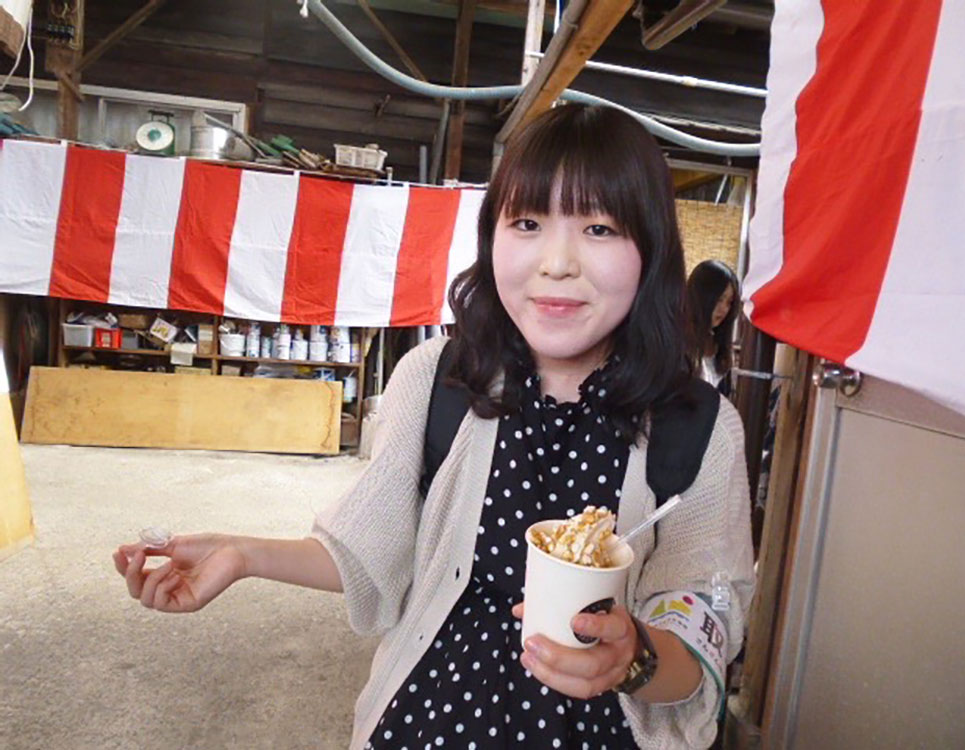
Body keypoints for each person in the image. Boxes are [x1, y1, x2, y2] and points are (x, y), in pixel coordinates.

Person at [113, 104, 753, 750]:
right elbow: (369, 546)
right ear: (492, 236)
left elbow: (703, 633)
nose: (557, 262)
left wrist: (632, 658)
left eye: (599, 228)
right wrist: (242, 554)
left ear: (650, 249)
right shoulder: (438, 379)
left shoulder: (700, 428)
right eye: (528, 223)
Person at [687, 260, 740, 395]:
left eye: (729, 302)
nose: (724, 309)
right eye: (719, 300)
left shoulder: (720, 344)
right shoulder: (677, 340)